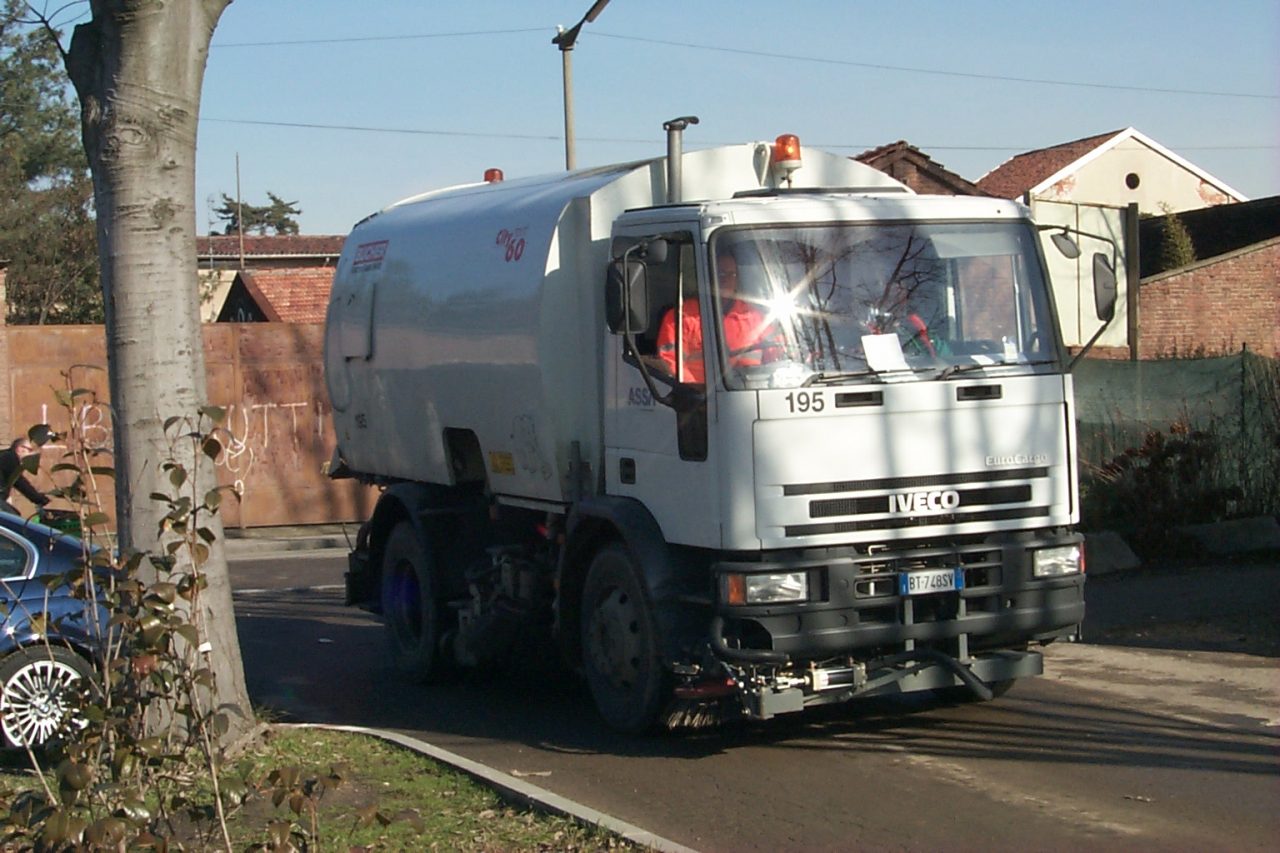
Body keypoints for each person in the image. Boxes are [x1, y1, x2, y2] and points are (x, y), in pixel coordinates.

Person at [656, 249, 779, 382]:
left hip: (752, 393)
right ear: (708, 276)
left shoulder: (756, 318)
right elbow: (670, 363)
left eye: (732, 274)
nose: (726, 280)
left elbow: (778, 356)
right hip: (699, 397)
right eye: (720, 274)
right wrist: (696, 392)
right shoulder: (680, 317)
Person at [0, 436, 50, 516]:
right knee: (14, 519)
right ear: (20, 449)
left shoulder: (5, 456)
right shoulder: (9, 457)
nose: (31, 454)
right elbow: (19, 482)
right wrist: (39, 499)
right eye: (29, 450)